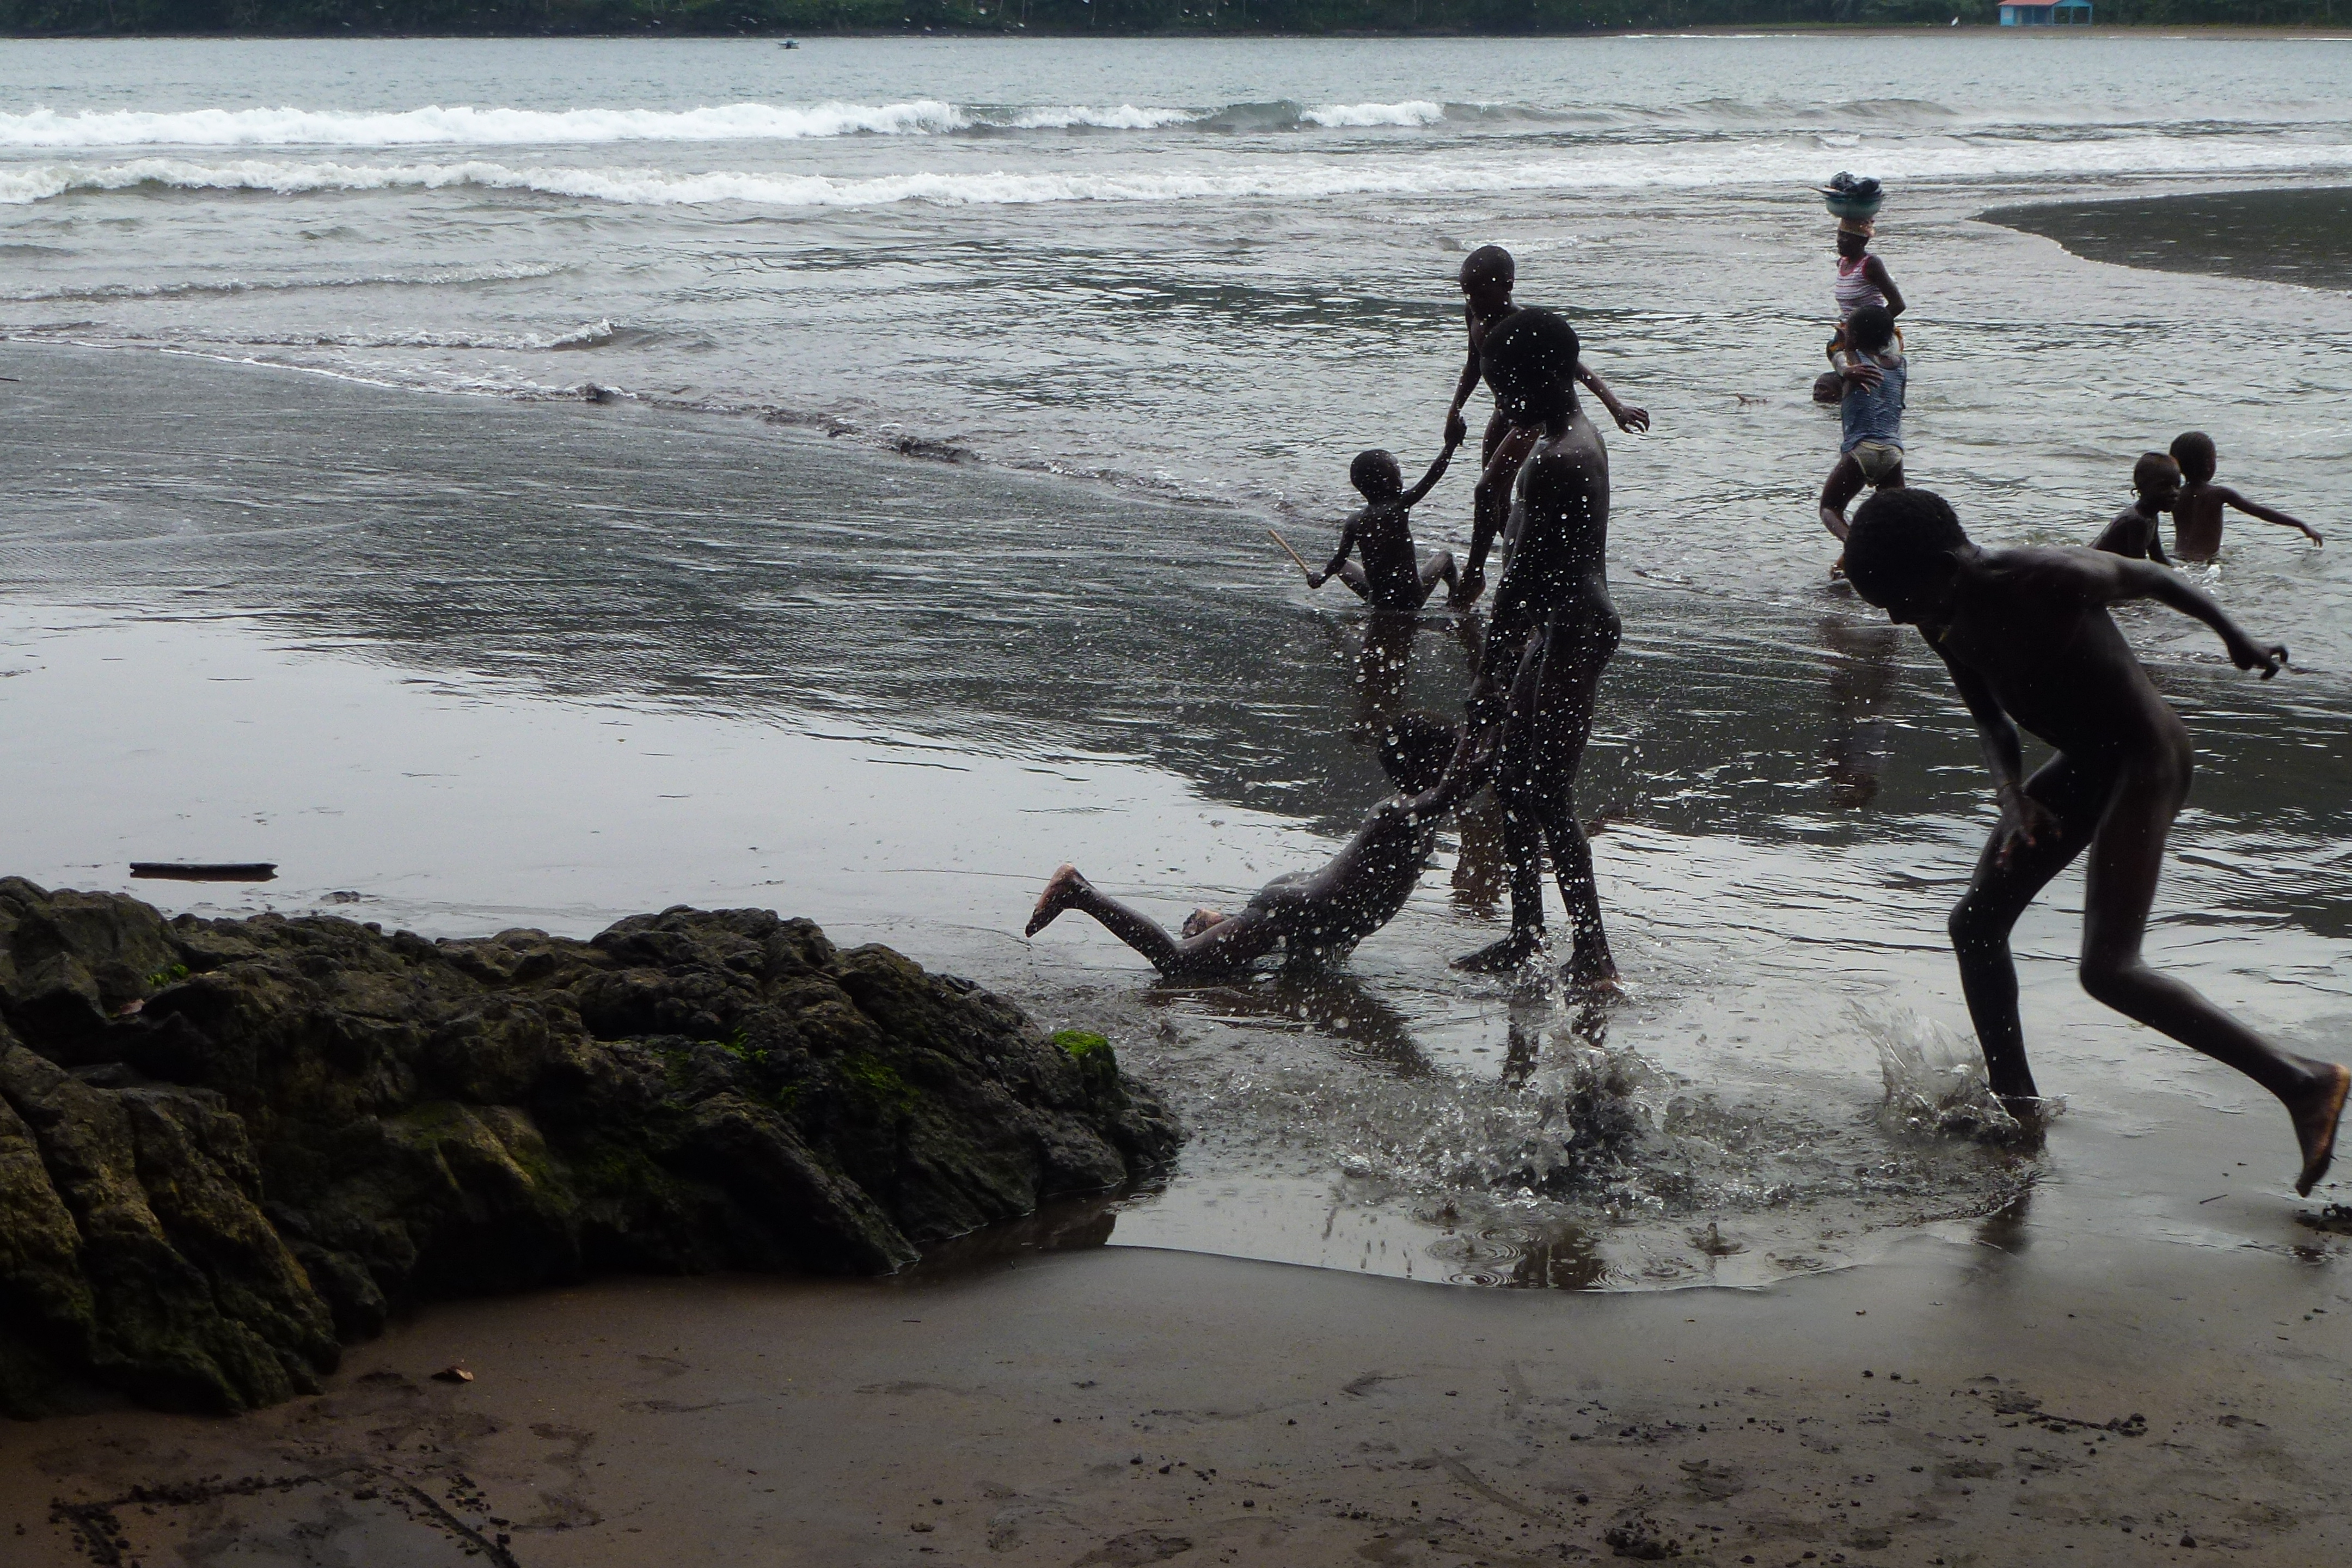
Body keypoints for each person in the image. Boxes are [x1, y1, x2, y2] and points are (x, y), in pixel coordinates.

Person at [1841, 487, 2349, 1195]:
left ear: (1947, 566)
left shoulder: (2047, 576)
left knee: (2110, 970)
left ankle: (2305, 1083)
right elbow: (1989, 720)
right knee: (1976, 925)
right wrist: (2013, 798)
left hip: (2147, 757)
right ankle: (2016, 1104)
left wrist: (2235, 637)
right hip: (2084, 764)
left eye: (1901, 599)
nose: (1899, 617)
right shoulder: (1943, 617)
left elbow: (2157, 578)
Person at [1024, 714, 1490, 981]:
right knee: (1179, 965)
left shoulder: (1418, 809)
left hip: (1322, 919)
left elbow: (1462, 783)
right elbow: (1456, 787)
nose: (1459, 765)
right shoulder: (1402, 811)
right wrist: (1494, 729)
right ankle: (1078, 890)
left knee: (1284, 978)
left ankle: (1216, 923)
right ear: (1430, 765)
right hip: (1297, 909)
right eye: (1452, 757)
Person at [1444, 309, 1622, 985]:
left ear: (1546, 377)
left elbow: (1519, 583)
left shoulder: (1559, 459)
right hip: (1558, 628)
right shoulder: (1558, 439)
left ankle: (1594, 954)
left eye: (1506, 389)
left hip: (1574, 632)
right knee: (1514, 782)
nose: (1501, 403)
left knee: (1546, 791)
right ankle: (1526, 933)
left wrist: (1489, 678)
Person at [1442, 245, 1647, 605]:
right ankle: (1517, 564)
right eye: (1467, 293)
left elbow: (1574, 366)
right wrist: (1454, 411)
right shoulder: (1473, 313)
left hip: (1532, 417)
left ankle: (1479, 575)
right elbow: (1474, 364)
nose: (1473, 301)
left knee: (1488, 491)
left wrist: (1615, 407)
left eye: (1481, 293)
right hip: (1504, 411)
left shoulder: (1524, 324)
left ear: (1508, 286)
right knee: (1495, 498)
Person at [1308, 442, 1464, 612]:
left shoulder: (1354, 521)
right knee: (1446, 556)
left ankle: (1373, 596)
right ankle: (1455, 596)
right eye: (1399, 475)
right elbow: (1433, 476)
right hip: (1412, 599)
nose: (1402, 480)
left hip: (1378, 600)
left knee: (1342, 565)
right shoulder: (1399, 507)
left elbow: (1339, 560)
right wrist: (1450, 446)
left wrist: (1322, 577)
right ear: (1388, 483)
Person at [1818, 304, 1906, 553]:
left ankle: (1856, 548)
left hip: (1861, 450)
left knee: (1830, 508)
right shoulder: (1901, 364)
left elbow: (1837, 358)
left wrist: (1847, 348)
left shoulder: (1852, 365)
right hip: (1893, 453)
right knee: (1892, 518)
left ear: (1854, 337)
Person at [2168, 431, 2324, 560]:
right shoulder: (2219, 494)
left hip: (2179, 559)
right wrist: (2300, 524)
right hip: (2207, 562)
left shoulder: (2175, 494)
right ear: (2209, 464)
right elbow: (2260, 512)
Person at [1826, 216, 1905, 363]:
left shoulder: (1871, 264)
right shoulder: (1842, 263)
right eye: (1839, 235)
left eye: (1846, 237)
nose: (1839, 241)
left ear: (1862, 241)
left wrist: (1865, 330)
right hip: (1849, 336)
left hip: (1875, 341)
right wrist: (1850, 334)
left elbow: (1898, 305)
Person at [2090, 452, 2182, 565]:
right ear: (2141, 486)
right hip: (2091, 567)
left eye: (2177, 486)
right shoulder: (2137, 521)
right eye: (2164, 486)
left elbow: (2158, 557)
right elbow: (2139, 567)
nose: (2174, 493)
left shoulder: (2151, 517)